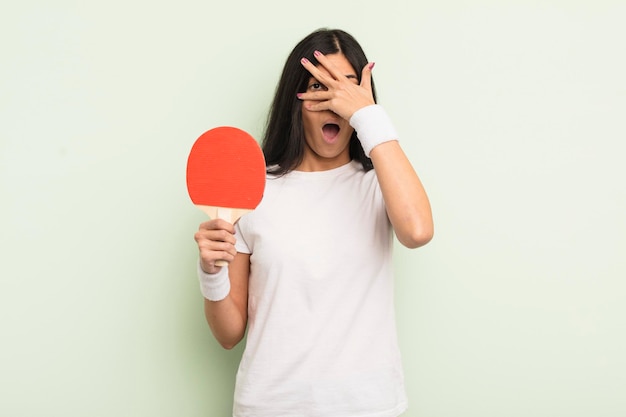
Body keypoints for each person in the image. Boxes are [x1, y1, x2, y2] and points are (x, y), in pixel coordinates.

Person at [194, 28, 434, 417]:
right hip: (269, 406)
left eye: (345, 90)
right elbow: (227, 334)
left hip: (367, 405)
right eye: (319, 89)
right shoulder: (252, 190)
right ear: (295, 98)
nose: (333, 105)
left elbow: (418, 231)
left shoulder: (380, 184)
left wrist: (368, 115)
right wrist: (210, 270)